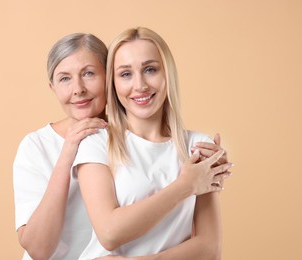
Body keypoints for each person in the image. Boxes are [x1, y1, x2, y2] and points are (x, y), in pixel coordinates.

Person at [73, 27, 234, 259]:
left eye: (150, 70)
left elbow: (210, 250)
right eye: (125, 74)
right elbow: (109, 233)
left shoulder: (198, 146)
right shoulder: (96, 144)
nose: (140, 85)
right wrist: (185, 185)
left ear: (167, 74)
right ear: (114, 84)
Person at [13, 33, 108, 260]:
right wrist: (67, 154)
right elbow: (38, 249)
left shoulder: (133, 138)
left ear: (109, 76)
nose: (78, 89)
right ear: (52, 87)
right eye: (65, 79)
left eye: (88, 73)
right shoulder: (36, 146)